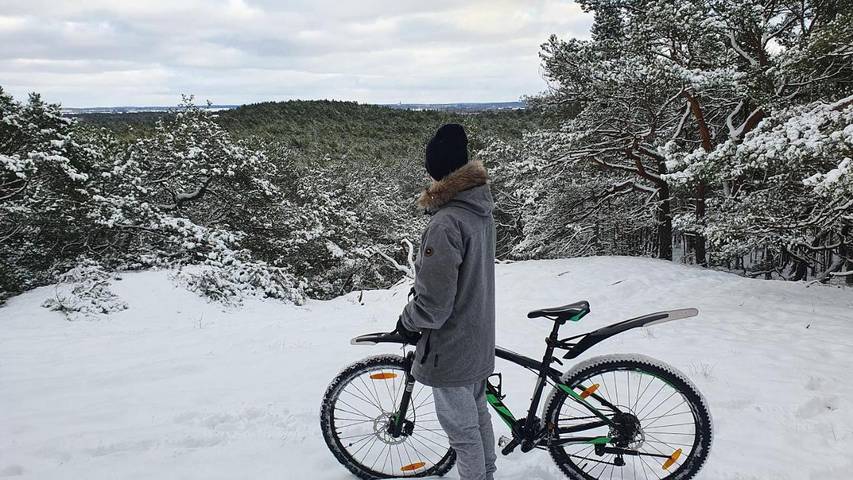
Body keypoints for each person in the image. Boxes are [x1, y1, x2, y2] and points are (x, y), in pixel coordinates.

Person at [396, 123, 497, 480]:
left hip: (451, 346)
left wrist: (408, 320)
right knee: (478, 415)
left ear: (436, 170)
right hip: (478, 336)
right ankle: (487, 473)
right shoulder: (479, 210)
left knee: (463, 433)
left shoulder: (446, 222)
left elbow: (435, 305)